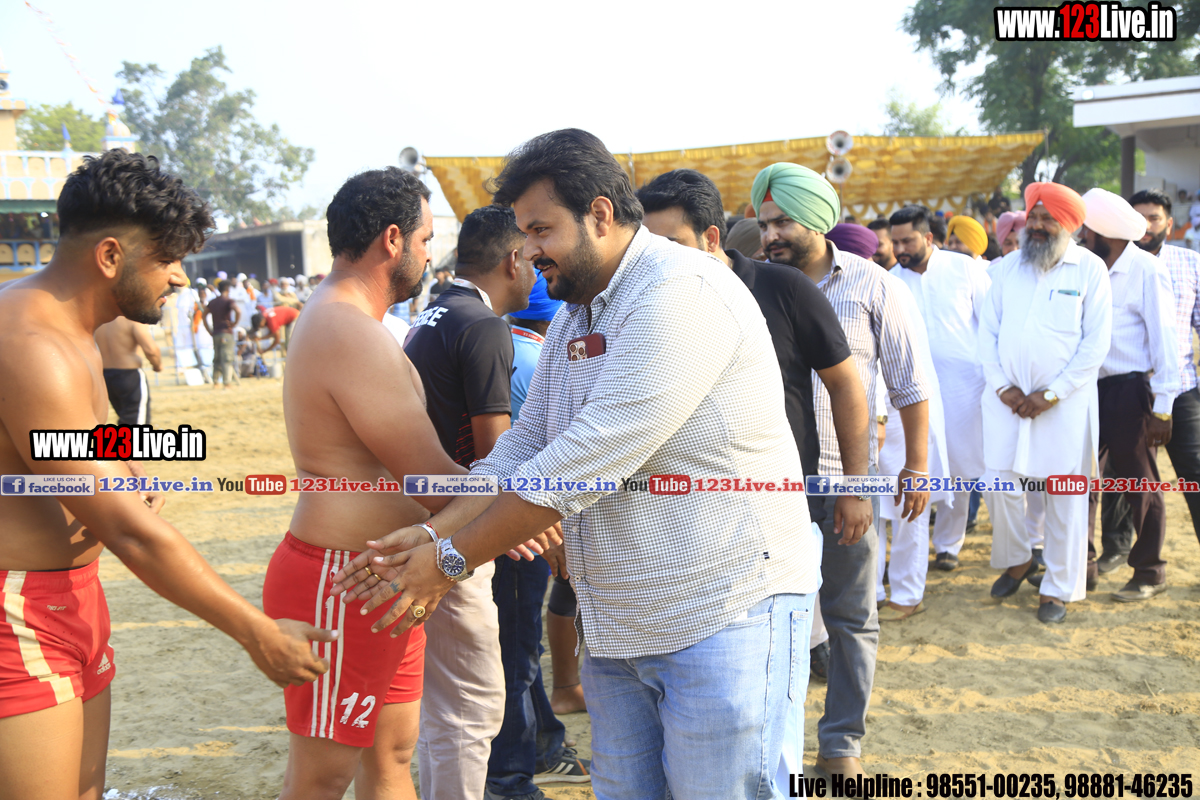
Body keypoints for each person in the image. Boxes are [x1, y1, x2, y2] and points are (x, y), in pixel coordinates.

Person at [334, 129, 818, 800]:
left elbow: (581, 461)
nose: (529, 250)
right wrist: (431, 532)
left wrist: (449, 559)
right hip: (618, 627)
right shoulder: (575, 315)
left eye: (541, 229)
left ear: (599, 214)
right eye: (525, 233)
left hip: (723, 611)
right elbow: (523, 447)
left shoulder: (681, 290)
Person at [0, 149, 330, 800]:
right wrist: (257, 632)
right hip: (20, 610)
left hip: (75, 594)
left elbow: (56, 447)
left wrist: (118, 462)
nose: (180, 277)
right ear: (111, 256)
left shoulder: (71, 326)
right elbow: (132, 534)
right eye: (169, 258)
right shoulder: (34, 346)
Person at [639, 168, 872, 786]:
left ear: (712, 238)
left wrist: (855, 485)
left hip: (784, 511)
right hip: (686, 522)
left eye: (671, 245)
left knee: (797, 664)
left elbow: (847, 385)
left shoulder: (781, 289)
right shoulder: (646, 300)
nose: (657, 260)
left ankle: (830, 750)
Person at [265, 167, 467, 800]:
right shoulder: (345, 327)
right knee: (322, 778)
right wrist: (523, 507)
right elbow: (431, 481)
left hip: (377, 576)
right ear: (392, 239)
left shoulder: (352, 323)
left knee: (391, 758)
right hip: (341, 578)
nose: (429, 256)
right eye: (425, 240)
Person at [752, 162, 931, 778]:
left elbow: (910, 385)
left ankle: (841, 747)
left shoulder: (874, 286)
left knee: (852, 617)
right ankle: (771, 749)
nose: (770, 235)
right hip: (765, 486)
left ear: (817, 221)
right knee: (770, 620)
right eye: (764, 223)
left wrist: (914, 466)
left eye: (782, 222)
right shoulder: (752, 286)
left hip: (845, 480)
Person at [404, 204, 584, 800]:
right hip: (479, 525)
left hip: (441, 516)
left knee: (459, 692)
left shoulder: (434, 313)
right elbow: (495, 450)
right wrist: (527, 523)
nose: (536, 268)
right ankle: (510, 782)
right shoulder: (482, 326)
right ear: (512, 259)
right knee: (493, 679)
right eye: (531, 255)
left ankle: (527, 760)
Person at [980, 182, 1112, 624]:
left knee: (1064, 496)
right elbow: (987, 333)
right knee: (998, 483)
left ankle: (1056, 588)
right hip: (1006, 401)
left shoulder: (1089, 269)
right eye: (1032, 217)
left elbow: (1096, 344)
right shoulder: (1005, 268)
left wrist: (1052, 393)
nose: (1035, 226)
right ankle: (1019, 558)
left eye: (1047, 219)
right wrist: (1003, 387)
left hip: (1064, 405)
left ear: (1069, 225)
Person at [1078, 188, 1178, 603]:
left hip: (1130, 391)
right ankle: (1080, 568)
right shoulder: (1086, 267)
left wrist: (1163, 409)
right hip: (1085, 390)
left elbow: (1166, 341)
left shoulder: (1146, 270)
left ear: (1105, 232)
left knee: (1141, 486)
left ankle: (1150, 572)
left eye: (1085, 229)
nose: (1080, 235)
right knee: (1081, 482)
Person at [890, 206, 992, 576]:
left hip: (966, 386)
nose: (900, 249)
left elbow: (990, 321)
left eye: (907, 241)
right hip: (914, 390)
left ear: (928, 238)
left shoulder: (964, 268)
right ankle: (912, 549)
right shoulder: (891, 281)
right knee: (917, 463)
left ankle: (949, 544)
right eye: (895, 242)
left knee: (961, 466)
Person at [507, 276, 583, 718]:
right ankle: (565, 690)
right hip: (538, 508)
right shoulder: (542, 359)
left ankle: (557, 702)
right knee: (552, 600)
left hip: (511, 499)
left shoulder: (504, 344)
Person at [1118, 188, 1200, 553]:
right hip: (1123, 390)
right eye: (1138, 218)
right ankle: (1116, 550)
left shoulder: (1191, 264)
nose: (1146, 226)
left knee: (1194, 473)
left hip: (1180, 389)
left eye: (1154, 218)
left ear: (1169, 223)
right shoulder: (1109, 264)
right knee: (1121, 476)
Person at [95, 316, 162, 426]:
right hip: (129, 374)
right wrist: (157, 365)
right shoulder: (132, 319)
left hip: (105, 376)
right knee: (136, 422)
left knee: (125, 418)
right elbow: (151, 350)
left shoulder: (101, 320)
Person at [204, 279, 240, 388]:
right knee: (227, 358)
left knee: (217, 358)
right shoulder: (228, 301)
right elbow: (238, 311)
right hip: (226, 333)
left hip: (216, 333)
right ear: (228, 289)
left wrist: (209, 330)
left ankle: (216, 382)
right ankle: (227, 382)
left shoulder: (213, 302)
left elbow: (204, 315)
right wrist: (234, 323)